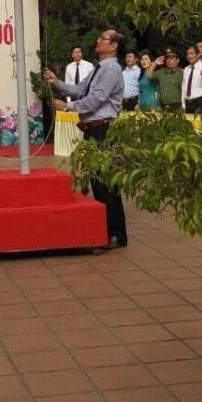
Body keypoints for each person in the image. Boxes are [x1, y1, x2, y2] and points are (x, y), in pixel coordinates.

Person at [44, 28, 127, 249]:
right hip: (93, 128)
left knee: (106, 182)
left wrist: (68, 106)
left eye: (103, 39)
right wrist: (57, 83)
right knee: (98, 182)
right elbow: (82, 89)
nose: (98, 41)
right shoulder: (100, 67)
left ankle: (115, 233)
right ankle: (105, 230)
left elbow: (96, 99)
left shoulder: (111, 69)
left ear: (114, 45)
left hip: (103, 129)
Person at [182, 45, 202, 116]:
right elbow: (184, 88)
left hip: (200, 102)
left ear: (198, 55)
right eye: (187, 54)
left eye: (192, 53)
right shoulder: (186, 69)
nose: (189, 56)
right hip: (188, 102)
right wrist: (183, 105)